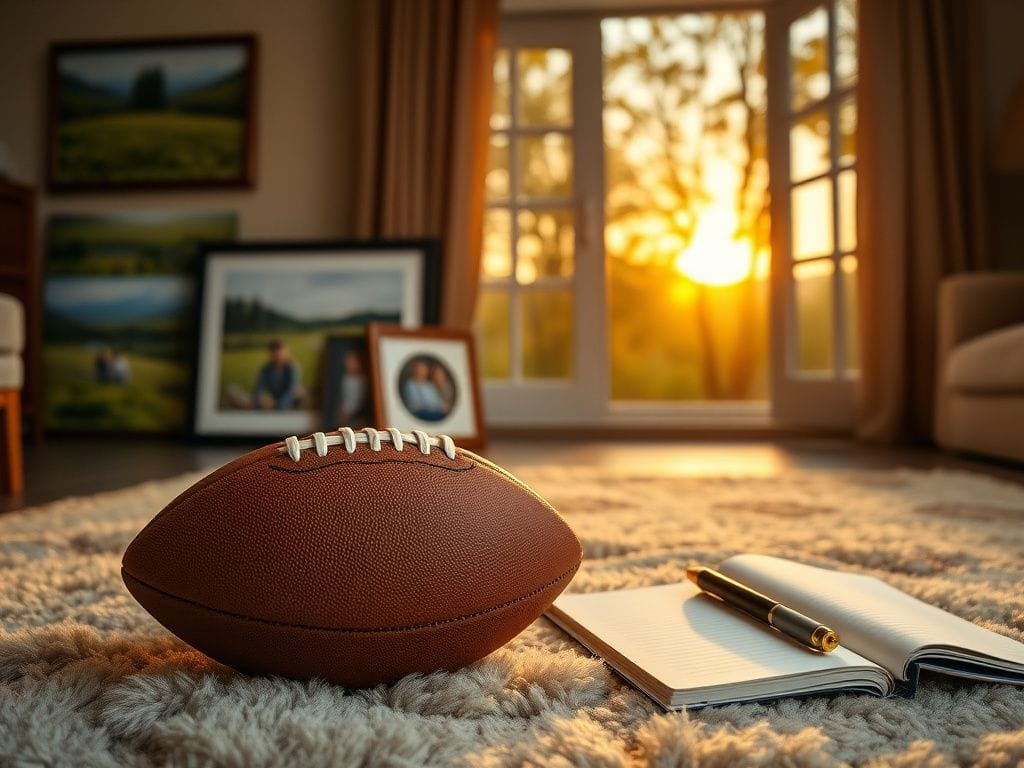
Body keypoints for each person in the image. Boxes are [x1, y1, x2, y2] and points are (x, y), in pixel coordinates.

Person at [253, 339, 302, 410]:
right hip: (274, 400)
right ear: (271, 354)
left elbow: (290, 391)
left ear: (285, 352)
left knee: (300, 394)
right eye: (275, 353)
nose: (278, 356)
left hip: (291, 401)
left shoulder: (292, 368)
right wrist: (258, 400)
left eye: (280, 353)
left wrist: (276, 403)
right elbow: (259, 387)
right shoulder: (266, 369)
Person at [336, 349, 369, 425]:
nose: (349, 363)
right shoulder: (343, 378)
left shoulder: (362, 380)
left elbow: (358, 400)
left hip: (354, 416)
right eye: (348, 360)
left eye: (353, 361)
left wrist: (348, 413)